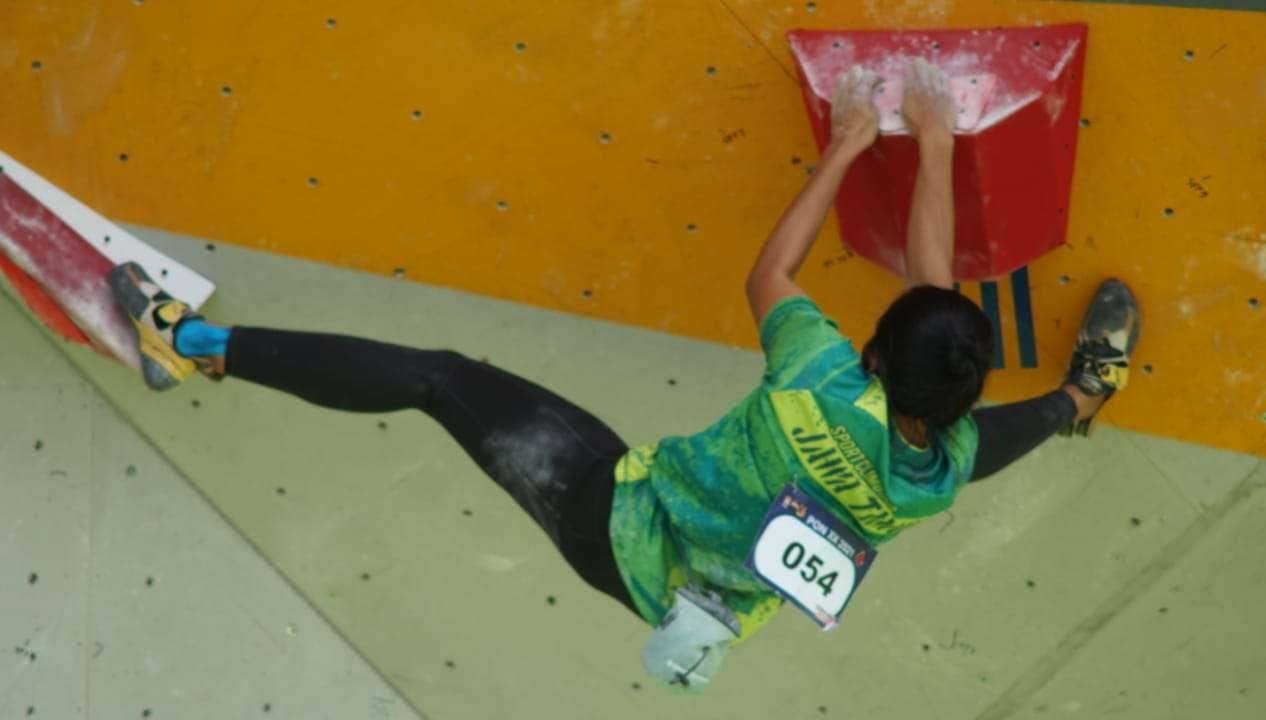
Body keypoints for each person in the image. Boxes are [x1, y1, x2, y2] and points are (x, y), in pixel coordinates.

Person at [107, 59, 1139, 690]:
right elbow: (934, 311)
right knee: (1020, 431)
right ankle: (1088, 394)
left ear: (868, 358)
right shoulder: (940, 461)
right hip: (704, 592)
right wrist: (932, 149)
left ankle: (182, 344)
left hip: (620, 527)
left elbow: (770, 271)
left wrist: (851, 144)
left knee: (437, 380)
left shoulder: (814, 379)